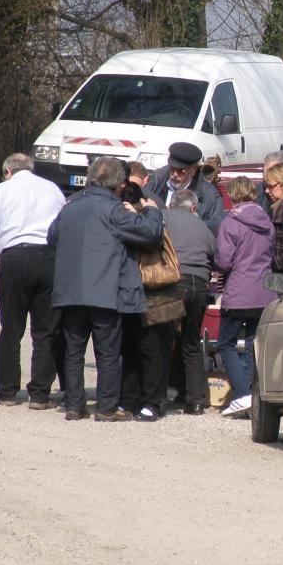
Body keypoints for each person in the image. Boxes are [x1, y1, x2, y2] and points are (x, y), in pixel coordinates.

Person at [48, 156, 163, 422]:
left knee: (74, 350)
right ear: (119, 184)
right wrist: (152, 210)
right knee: (108, 352)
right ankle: (106, 407)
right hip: (104, 291)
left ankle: (74, 405)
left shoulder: (69, 207)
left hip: (70, 291)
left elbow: (51, 237)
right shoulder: (114, 210)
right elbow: (150, 234)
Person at [0, 153, 67, 409]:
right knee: (45, 330)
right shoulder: (53, 190)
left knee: (11, 328)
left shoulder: (2, 190)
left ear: (7, 171)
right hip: (49, 258)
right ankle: (39, 394)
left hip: (14, 258)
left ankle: (6, 391)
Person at [214, 176, 274, 416]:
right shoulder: (267, 222)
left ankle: (242, 394)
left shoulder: (231, 222)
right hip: (264, 292)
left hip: (239, 291)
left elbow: (224, 260)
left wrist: (216, 263)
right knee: (252, 344)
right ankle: (252, 394)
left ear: (233, 195)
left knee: (225, 344)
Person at [118, 181, 177, 422]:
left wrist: (145, 214)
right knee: (137, 347)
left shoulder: (148, 220)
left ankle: (148, 401)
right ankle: (137, 400)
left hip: (150, 289)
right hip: (139, 290)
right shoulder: (132, 219)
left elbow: (152, 240)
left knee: (146, 347)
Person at [163, 188, 217, 414]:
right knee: (191, 342)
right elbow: (214, 253)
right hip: (200, 285)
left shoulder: (165, 218)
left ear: (171, 205)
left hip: (175, 283)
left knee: (164, 340)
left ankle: (158, 397)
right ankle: (195, 400)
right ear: (193, 207)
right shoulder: (203, 226)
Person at [145, 141, 224, 231]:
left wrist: (189, 225)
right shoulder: (155, 182)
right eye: (172, 168)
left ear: (193, 171)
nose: (174, 174)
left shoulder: (210, 194)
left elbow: (218, 224)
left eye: (181, 171)